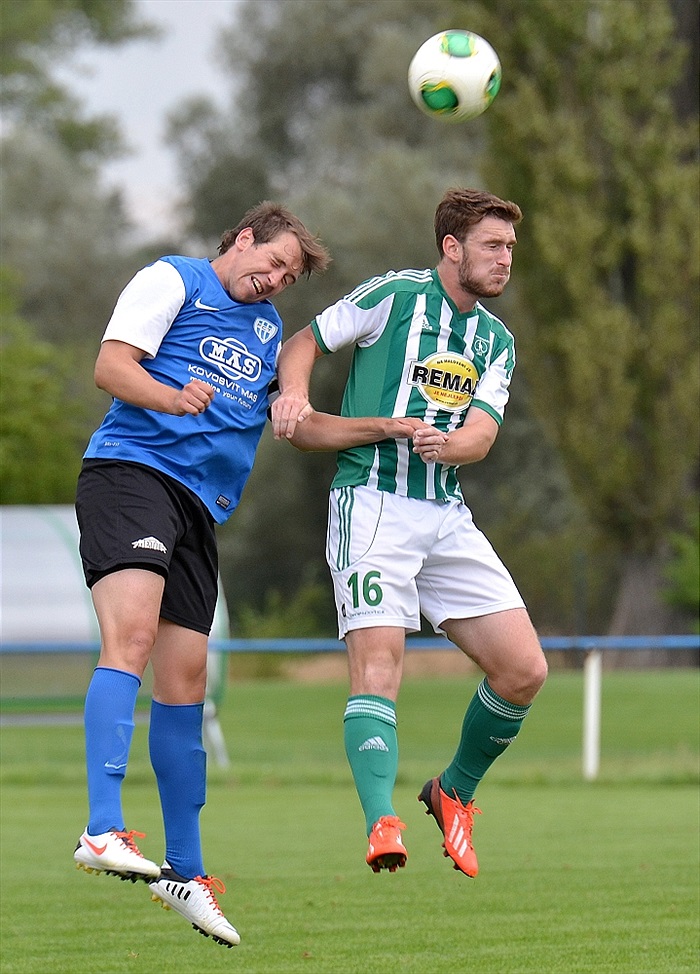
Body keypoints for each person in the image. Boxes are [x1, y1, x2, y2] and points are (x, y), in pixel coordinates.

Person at [73, 201, 330, 948]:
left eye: (287, 275)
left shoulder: (270, 332)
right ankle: (101, 827)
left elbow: (294, 409)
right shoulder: (174, 280)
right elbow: (111, 366)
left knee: (186, 682)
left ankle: (185, 870)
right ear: (242, 237)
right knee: (132, 636)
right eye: (271, 260)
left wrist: (358, 424)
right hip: (132, 474)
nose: (275, 279)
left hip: (196, 510)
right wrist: (170, 395)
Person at [271, 188, 548, 878]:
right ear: (451, 248)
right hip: (371, 503)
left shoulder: (496, 341)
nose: (506, 258)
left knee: (524, 671)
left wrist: (452, 449)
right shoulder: (395, 296)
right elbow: (305, 341)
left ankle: (452, 793)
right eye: (493, 245)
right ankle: (380, 821)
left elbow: (482, 430)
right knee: (379, 669)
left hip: (444, 512)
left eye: (511, 247)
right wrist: (296, 393)